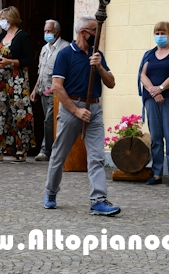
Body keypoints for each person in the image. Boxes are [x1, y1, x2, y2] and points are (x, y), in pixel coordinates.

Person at [43, 15, 120, 216]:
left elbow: (111, 82)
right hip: (72, 108)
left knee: (96, 157)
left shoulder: (97, 55)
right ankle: (51, 192)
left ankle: (98, 200)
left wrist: (100, 67)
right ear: (84, 32)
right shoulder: (65, 55)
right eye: (95, 31)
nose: (98, 35)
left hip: (94, 109)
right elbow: (57, 88)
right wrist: (76, 110)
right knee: (60, 153)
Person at [137, 21, 169, 186]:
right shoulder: (149, 54)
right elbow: (142, 75)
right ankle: (157, 172)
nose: (159, 36)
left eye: (162, 33)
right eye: (157, 33)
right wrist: (153, 90)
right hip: (152, 99)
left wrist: (161, 88)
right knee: (156, 136)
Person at [0, 6, 34, 163]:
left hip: (17, 80)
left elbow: (29, 59)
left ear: (11, 18)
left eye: (3, 18)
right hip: (1, 80)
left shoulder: (23, 37)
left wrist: (10, 62)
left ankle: (21, 149)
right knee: (0, 114)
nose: (1, 21)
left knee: (20, 114)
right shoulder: (2, 35)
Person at [30, 19, 69, 162]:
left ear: (56, 32)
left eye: (49, 31)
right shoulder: (44, 48)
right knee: (48, 120)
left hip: (56, 92)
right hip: (43, 90)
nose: (46, 34)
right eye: (45, 31)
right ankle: (53, 149)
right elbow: (41, 71)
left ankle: (45, 150)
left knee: (49, 120)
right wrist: (35, 89)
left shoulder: (65, 48)